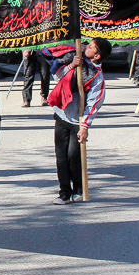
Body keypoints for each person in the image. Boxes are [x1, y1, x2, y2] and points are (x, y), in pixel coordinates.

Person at [40, 38, 109, 204]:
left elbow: (94, 102)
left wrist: (84, 126)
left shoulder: (96, 76)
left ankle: (78, 188)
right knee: (61, 157)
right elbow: (57, 77)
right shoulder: (74, 58)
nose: (87, 46)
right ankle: (64, 191)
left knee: (73, 156)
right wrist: (72, 65)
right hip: (62, 115)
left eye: (92, 46)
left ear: (97, 55)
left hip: (77, 121)